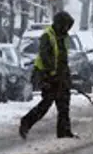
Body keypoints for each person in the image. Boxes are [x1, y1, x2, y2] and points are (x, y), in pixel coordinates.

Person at [19, 11, 77, 139]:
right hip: (47, 75)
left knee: (64, 104)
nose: (67, 28)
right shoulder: (47, 36)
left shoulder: (64, 37)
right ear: (59, 24)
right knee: (46, 103)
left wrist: (66, 75)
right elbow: (46, 57)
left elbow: (63, 58)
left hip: (61, 76)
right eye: (65, 25)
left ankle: (64, 131)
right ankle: (26, 122)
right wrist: (52, 74)